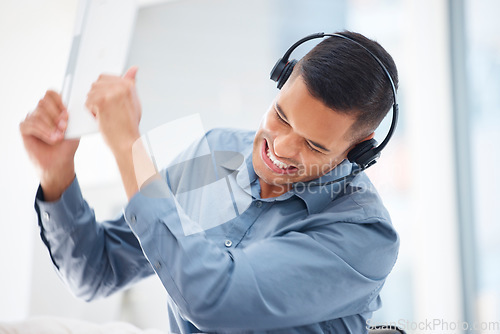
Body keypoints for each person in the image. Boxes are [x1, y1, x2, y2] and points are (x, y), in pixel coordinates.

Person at [20, 31, 400, 334]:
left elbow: (212, 299)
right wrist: (57, 174)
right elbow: (95, 272)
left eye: (314, 145)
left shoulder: (364, 236)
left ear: (359, 151)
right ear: (281, 81)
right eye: (281, 116)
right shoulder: (217, 153)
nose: (281, 148)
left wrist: (127, 147)